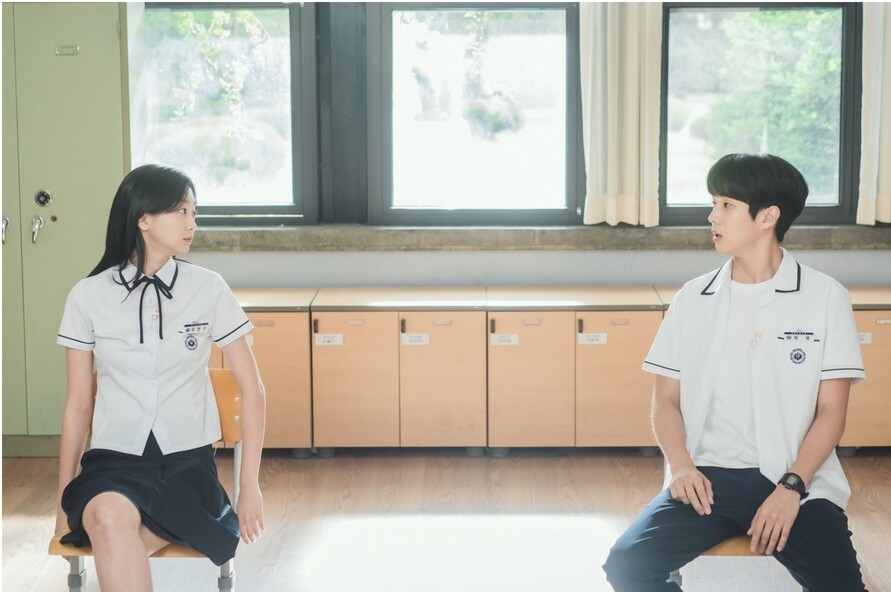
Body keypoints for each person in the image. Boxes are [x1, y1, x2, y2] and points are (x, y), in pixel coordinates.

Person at [603, 153, 868, 591]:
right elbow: (665, 401)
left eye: (726, 205)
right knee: (627, 565)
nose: (712, 216)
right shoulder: (693, 298)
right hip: (708, 478)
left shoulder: (825, 297)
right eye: (714, 203)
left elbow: (831, 412)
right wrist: (682, 467)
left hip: (796, 478)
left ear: (768, 217)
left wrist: (791, 488)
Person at [54, 164, 266, 592]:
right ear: (143, 219)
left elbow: (253, 390)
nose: (192, 224)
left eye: (194, 212)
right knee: (108, 519)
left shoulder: (208, 287)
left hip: (187, 467)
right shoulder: (88, 295)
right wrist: (61, 498)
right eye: (181, 211)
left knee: (115, 539)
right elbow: (78, 404)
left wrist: (250, 486)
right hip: (113, 463)